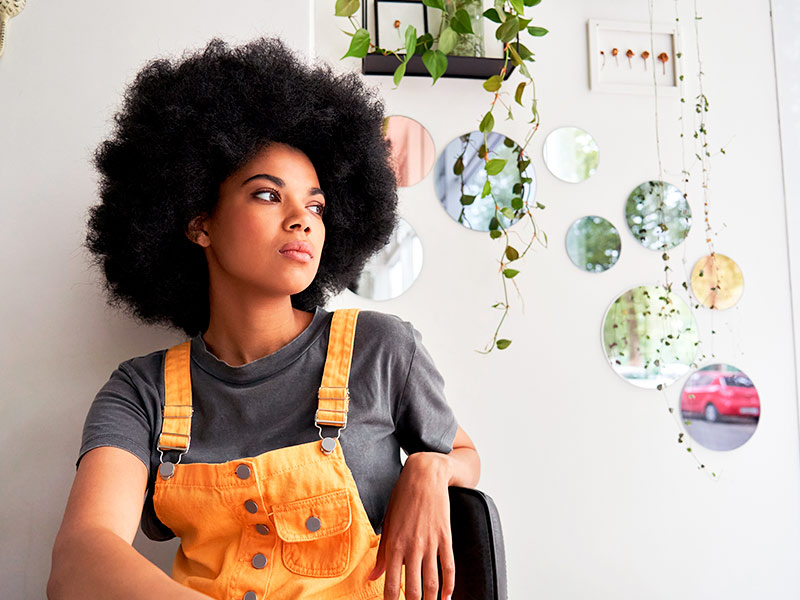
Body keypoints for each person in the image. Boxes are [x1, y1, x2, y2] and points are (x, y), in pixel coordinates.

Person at [47, 36, 480, 600]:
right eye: (267, 195)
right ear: (199, 223)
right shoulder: (141, 392)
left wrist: (430, 469)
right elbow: (79, 560)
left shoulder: (380, 348)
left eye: (317, 205)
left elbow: (464, 455)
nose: (303, 219)